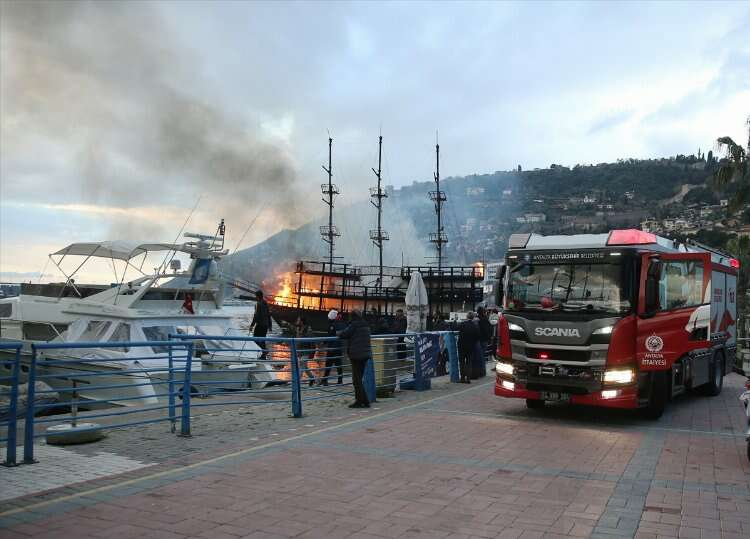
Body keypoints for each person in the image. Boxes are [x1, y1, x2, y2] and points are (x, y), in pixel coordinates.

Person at [337, 309, 372, 408]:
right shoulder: (365, 324)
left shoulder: (354, 325)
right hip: (365, 354)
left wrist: (338, 333)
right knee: (359, 379)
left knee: (356, 380)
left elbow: (344, 334)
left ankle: (360, 401)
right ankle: (364, 401)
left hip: (356, 355)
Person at [322, 310, 345, 385]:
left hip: (333, 348)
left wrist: (328, 345)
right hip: (336, 347)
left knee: (329, 364)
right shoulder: (340, 324)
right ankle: (339, 380)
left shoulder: (334, 325)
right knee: (338, 364)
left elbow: (333, 336)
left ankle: (325, 380)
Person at [294, 316, 317, 386]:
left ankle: (297, 383)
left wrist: (312, 352)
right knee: (304, 366)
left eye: (298, 320)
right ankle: (312, 378)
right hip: (300, 351)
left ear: (301, 321)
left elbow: (312, 340)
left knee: (301, 366)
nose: (297, 321)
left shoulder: (308, 329)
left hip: (306, 351)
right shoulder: (298, 328)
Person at [457, 312, 479, 383]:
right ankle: (468, 378)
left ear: (467, 317)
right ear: (473, 317)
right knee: (469, 362)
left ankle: (462, 378)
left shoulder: (463, 324)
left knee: (462, 362)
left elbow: (459, 332)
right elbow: (476, 337)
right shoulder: (475, 326)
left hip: (462, 346)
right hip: (471, 347)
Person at [250, 290, 272, 359]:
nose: (255, 297)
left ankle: (264, 351)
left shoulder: (258, 304)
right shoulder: (266, 303)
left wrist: (252, 325)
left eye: (255, 296)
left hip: (260, 325)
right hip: (265, 325)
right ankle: (263, 354)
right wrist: (270, 325)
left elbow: (256, 316)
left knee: (255, 339)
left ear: (257, 296)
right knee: (262, 339)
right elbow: (269, 315)